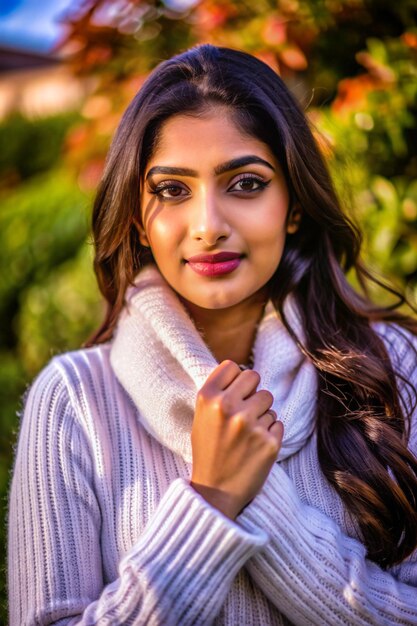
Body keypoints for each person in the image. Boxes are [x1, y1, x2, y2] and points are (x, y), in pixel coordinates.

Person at [7, 44, 417, 625]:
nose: (209, 227)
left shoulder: (397, 367)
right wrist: (211, 500)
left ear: (293, 204)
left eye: (246, 184)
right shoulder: (72, 400)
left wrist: (266, 511)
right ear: (136, 220)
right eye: (173, 190)